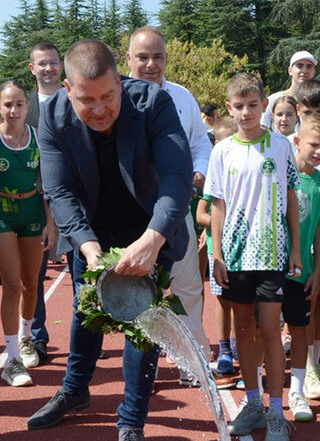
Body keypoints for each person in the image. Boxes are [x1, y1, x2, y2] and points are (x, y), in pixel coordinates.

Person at [26, 39, 193, 441]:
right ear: (66, 89)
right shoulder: (52, 115)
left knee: (141, 320)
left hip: (148, 226)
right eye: (86, 100)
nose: (98, 109)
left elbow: (176, 180)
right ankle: (75, 388)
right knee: (85, 312)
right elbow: (59, 191)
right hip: (92, 232)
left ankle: (132, 423)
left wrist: (154, 239)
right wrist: (85, 243)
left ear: (121, 82)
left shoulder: (154, 103)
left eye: (107, 97)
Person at [209, 72, 301, 441]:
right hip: (234, 255)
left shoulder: (281, 147)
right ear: (229, 108)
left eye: (252, 105)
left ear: (264, 106)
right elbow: (218, 205)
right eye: (238, 106)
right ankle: (253, 404)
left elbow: (292, 198)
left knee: (269, 330)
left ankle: (277, 411)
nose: (246, 112)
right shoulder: (222, 151)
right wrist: (216, 253)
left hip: (272, 253)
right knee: (243, 330)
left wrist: (295, 247)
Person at [126, 26, 212, 384]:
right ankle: (142, 368)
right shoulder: (116, 97)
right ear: (128, 59)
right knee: (139, 292)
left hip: (177, 209)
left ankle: (193, 361)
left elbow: (200, 145)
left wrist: (197, 174)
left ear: (166, 59)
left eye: (157, 57)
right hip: (133, 213)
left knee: (188, 286)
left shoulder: (182, 96)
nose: (150, 64)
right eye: (142, 57)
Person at [0, 81, 56, 387]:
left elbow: (48, 184)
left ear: (27, 106)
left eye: (19, 104)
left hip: (32, 212)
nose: (14, 110)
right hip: (2, 213)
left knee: (31, 285)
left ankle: (26, 337)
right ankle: (12, 360)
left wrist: (51, 222)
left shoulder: (38, 137)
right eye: (8, 105)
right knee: (12, 285)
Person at [284, 115, 320, 422]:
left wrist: (318, 270)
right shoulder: (280, 174)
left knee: (299, 331)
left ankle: (297, 391)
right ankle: (264, 380)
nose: (319, 152)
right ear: (298, 141)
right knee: (264, 329)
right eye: (314, 144)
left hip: (302, 272)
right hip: (273, 266)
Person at [26, 42, 65, 366]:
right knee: (34, 277)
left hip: (77, 199)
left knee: (87, 272)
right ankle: (37, 337)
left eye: (53, 62)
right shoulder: (22, 108)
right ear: (33, 69)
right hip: (36, 205)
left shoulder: (77, 98)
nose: (49, 68)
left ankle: (88, 334)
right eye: (43, 63)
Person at [196, 117, 238, 377]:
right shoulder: (215, 175)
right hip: (218, 249)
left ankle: (236, 345)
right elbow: (202, 213)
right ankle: (224, 349)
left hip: (244, 250)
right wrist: (222, 223)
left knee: (242, 301)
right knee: (223, 301)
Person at [261, 50, 317, 130]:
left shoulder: (317, 101)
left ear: (313, 72)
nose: (304, 70)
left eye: (309, 67)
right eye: (299, 66)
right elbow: (262, 127)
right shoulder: (273, 99)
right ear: (290, 70)